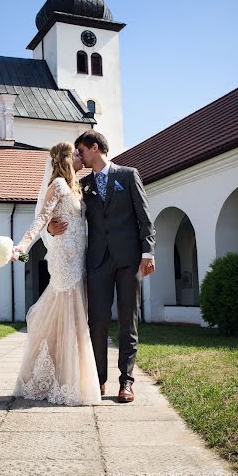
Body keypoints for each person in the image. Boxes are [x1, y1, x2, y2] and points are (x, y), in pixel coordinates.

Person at [48, 130, 156, 403]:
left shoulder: (128, 175)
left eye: (82, 151)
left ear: (94, 148)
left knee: (127, 320)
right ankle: (99, 380)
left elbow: (144, 217)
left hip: (129, 259)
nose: (79, 157)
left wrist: (148, 252)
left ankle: (126, 382)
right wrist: (50, 227)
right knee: (97, 321)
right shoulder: (83, 186)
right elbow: (63, 210)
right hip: (96, 261)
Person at [11, 141, 101, 406]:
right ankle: (63, 382)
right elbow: (40, 219)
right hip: (63, 259)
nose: (80, 157)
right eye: (76, 154)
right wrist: (22, 246)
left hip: (78, 257)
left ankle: (67, 376)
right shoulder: (59, 185)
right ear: (64, 158)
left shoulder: (76, 188)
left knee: (74, 318)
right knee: (66, 315)